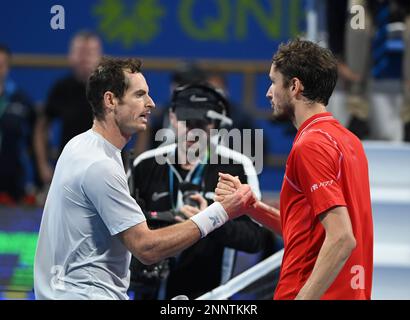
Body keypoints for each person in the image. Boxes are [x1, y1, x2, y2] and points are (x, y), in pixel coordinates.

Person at [33, 57, 255, 300]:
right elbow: (145, 247)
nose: (150, 103)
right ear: (110, 100)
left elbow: (254, 239)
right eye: (139, 95)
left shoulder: (80, 145)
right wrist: (219, 213)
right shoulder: (101, 164)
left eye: (147, 95)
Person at [215, 39, 374, 300]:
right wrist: (252, 207)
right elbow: (310, 232)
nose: (268, 93)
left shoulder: (311, 145)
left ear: (294, 86)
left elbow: (342, 238)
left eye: (273, 81)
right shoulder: (349, 141)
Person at [129, 83, 270, 299]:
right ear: (173, 118)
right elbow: (126, 231)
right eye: (187, 121)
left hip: (211, 295)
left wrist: (212, 222)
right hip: (149, 292)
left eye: (201, 123)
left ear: (214, 124)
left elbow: (256, 238)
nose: (193, 131)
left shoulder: (237, 166)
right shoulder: (145, 165)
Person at [327, 0, 410, 141]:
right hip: (367, 9)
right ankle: (358, 113)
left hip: (408, 8)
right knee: (358, 13)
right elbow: (335, 12)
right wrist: (337, 57)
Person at [33, 31, 102, 187]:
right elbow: (40, 128)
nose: (84, 58)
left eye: (89, 53)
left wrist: (131, 166)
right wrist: (43, 166)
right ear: (70, 56)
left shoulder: (112, 87)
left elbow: (143, 126)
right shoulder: (61, 88)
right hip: (68, 171)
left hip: (106, 171)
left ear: (99, 56)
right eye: (79, 52)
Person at [0, 44, 37, 204]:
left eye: (0, 65)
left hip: (12, 182)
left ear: (7, 67)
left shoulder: (21, 100)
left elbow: (34, 138)